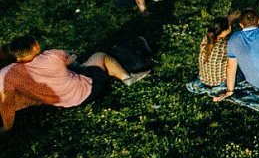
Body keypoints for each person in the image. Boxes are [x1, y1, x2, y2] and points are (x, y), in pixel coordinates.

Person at [0, 36, 148, 128]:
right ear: (35, 47)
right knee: (100, 56)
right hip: (86, 90)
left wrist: (7, 127)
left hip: (65, 103)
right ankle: (127, 78)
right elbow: (72, 59)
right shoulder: (53, 55)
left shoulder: (7, 74)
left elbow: (6, 102)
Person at [198, 16, 234, 87]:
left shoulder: (205, 39)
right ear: (225, 31)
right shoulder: (226, 45)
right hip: (219, 82)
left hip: (204, 79)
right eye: (229, 25)